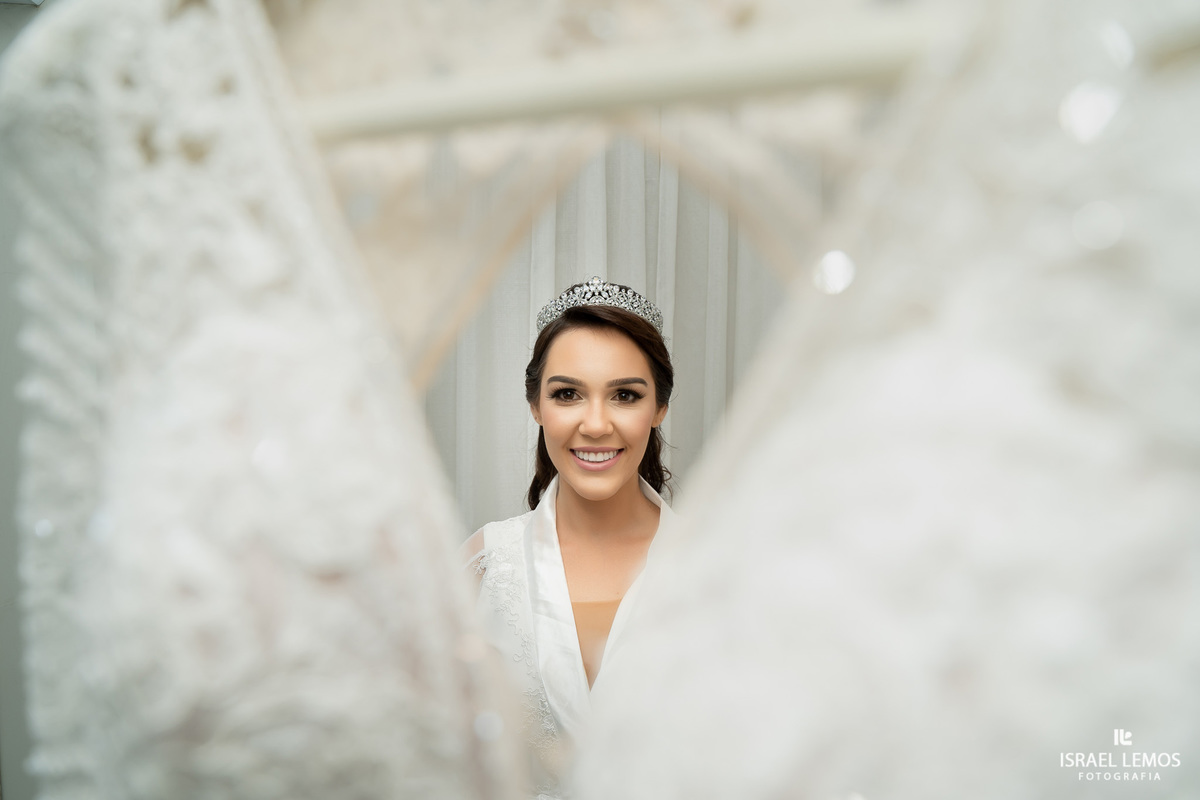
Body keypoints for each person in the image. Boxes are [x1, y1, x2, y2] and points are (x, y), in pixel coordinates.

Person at [459, 277, 676, 798]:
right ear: (536, 406)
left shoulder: (717, 565)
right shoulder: (485, 564)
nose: (596, 424)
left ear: (659, 408)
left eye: (625, 395)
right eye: (568, 394)